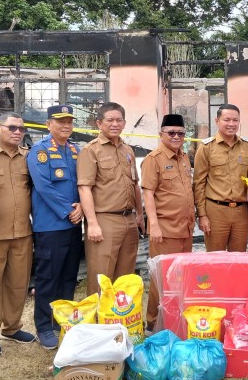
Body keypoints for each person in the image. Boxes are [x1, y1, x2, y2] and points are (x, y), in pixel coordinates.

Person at [0, 113, 36, 355]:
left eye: (21, 128)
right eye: (12, 127)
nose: (17, 132)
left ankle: (12, 327)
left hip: (22, 231)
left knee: (18, 283)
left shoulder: (28, 157)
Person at [27, 105, 84, 350]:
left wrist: (81, 205)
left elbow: (83, 183)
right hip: (51, 225)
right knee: (48, 277)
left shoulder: (75, 150)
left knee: (69, 275)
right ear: (49, 124)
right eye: (60, 122)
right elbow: (43, 186)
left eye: (69, 122)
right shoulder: (40, 152)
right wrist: (69, 210)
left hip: (73, 224)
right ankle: (44, 326)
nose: (66, 126)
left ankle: (62, 320)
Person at [78, 102, 144, 296]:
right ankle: (100, 322)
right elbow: (84, 188)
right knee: (102, 276)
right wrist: (92, 224)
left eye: (119, 120)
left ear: (124, 123)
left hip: (129, 220)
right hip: (104, 220)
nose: (115, 124)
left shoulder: (128, 150)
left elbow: (135, 185)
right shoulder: (91, 150)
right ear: (99, 123)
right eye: (110, 120)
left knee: (125, 276)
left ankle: (120, 319)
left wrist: (139, 215)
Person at [141, 113, 195, 332]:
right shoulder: (154, 159)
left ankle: (174, 319)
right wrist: (153, 224)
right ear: (161, 134)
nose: (176, 136)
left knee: (181, 279)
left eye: (180, 133)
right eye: (171, 132)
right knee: (161, 279)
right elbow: (148, 194)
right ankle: (153, 322)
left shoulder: (183, 157)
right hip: (165, 230)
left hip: (186, 229)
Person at [193, 104, 248, 252]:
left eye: (235, 120)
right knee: (215, 260)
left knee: (238, 260)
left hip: (241, 213)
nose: (231, 124)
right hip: (215, 212)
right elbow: (198, 184)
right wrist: (202, 215)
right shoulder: (206, 147)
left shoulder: (246, 147)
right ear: (217, 121)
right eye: (227, 120)